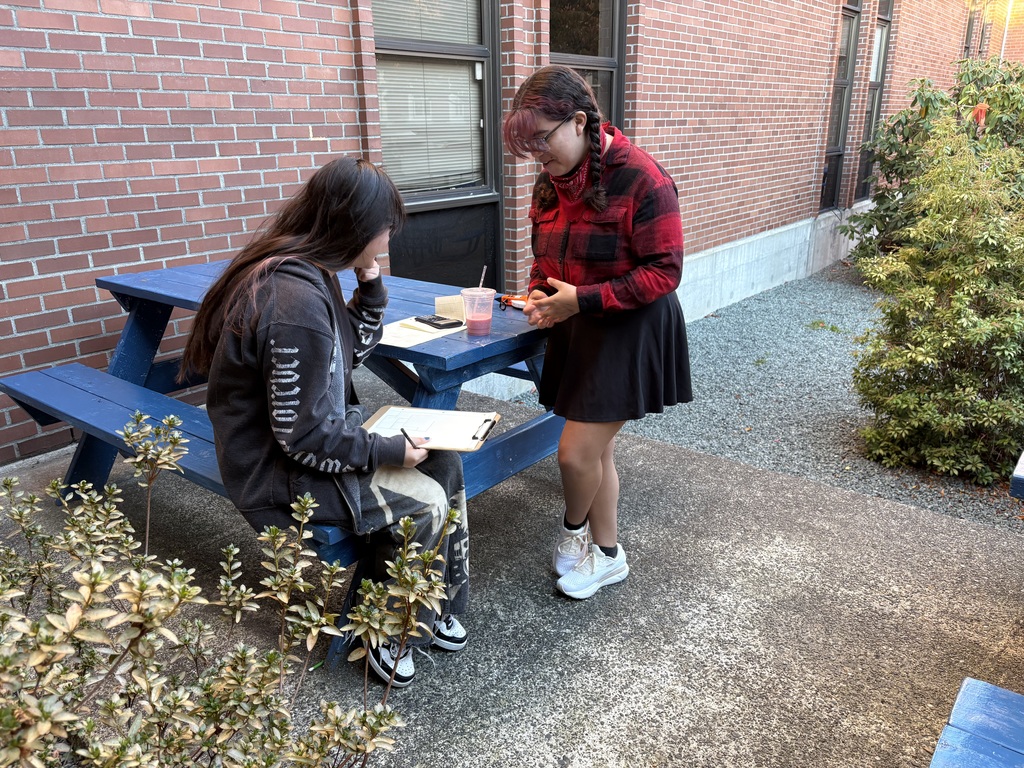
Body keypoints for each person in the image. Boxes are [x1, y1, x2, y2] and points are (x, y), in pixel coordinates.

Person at [180, 157, 469, 688]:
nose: (387, 238)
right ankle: (388, 631)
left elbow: (347, 353)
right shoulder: (293, 300)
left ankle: (434, 601)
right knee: (423, 500)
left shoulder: (310, 273)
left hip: (303, 444)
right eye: (383, 229)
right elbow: (305, 438)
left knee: (446, 464)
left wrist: (371, 287)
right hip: (277, 475)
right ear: (354, 226)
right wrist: (385, 451)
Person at [502, 65, 692, 599]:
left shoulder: (642, 177)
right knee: (597, 452)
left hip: (632, 326)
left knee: (575, 453)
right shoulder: (550, 181)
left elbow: (665, 271)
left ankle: (575, 534)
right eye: (530, 143)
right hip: (579, 321)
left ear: (580, 121)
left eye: (543, 138)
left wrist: (578, 301)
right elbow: (547, 256)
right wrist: (541, 293)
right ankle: (608, 555)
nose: (538, 153)